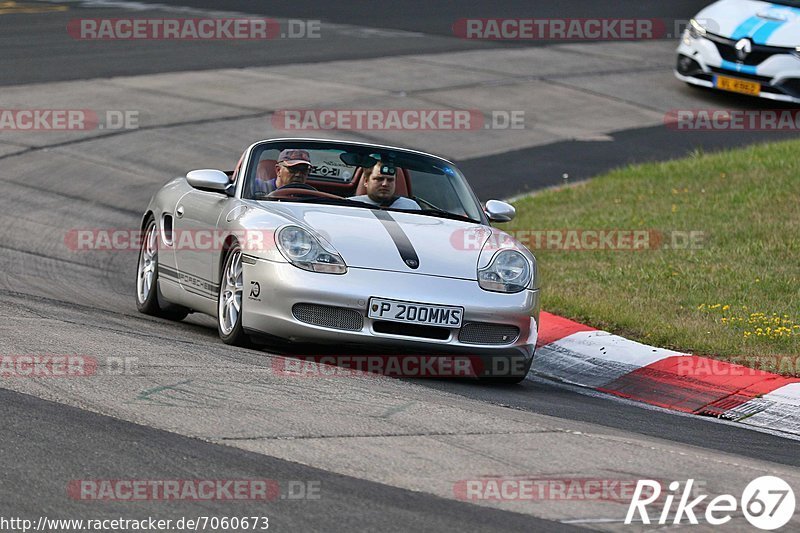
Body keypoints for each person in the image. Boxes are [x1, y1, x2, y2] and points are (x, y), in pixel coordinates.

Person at [349, 162, 421, 210]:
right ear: (366, 181)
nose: (385, 184)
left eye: (390, 180)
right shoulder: (350, 205)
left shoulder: (411, 207)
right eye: (379, 179)